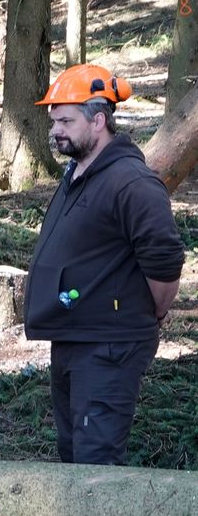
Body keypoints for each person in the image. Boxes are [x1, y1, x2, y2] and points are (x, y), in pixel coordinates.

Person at [23, 64, 183, 466]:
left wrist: (155, 310)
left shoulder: (131, 182)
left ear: (98, 120)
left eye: (65, 120)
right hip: (73, 335)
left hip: (109, 344)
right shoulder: (78, 172)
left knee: (95, 464)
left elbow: (164, 261)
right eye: (53, 121)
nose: (56, 130)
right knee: (73, 453)